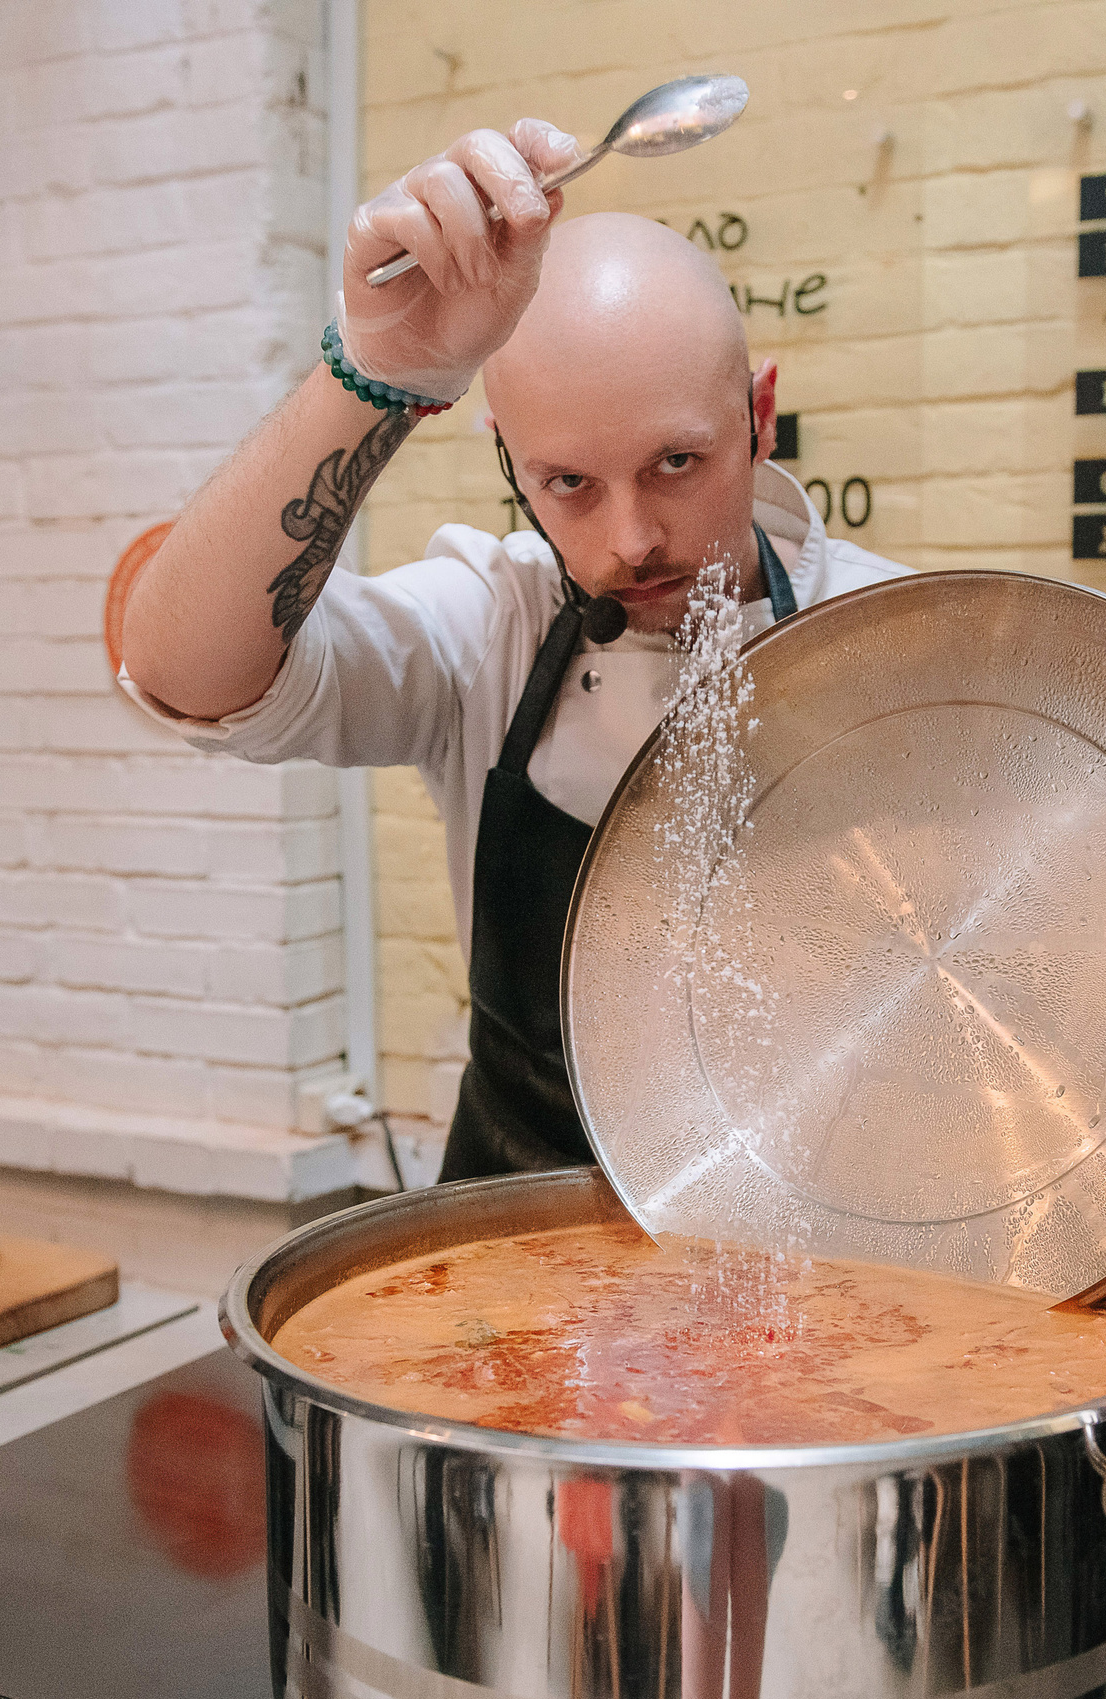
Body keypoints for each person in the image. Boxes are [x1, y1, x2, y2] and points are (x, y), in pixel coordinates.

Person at [118, 120, 912, 1183]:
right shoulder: (485, 624)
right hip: (512, 1275)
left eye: (677, 461)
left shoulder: (904, 646)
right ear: (509, 462)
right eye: (569, 484)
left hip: (826, 1271)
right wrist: (375, 370)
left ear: (759, 416)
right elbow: (181, 673)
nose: (631, 540)